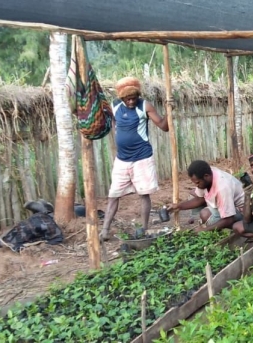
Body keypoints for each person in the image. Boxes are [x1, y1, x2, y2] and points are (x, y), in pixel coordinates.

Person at [100, 77, 169, 241]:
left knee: (144, 194)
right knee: (113, 195)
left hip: (142, 158)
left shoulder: (144, 106)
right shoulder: (115, 106)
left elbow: (164, 126)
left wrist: (168, 110)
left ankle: (144, 228)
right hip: (122, 159)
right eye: (128, 99)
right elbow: (112, 123)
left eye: (133, 98)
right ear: (122, 98)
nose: (131, 101)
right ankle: (104, 230)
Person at [166, 160, 245, 232]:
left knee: (205, 214)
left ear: (206, 176)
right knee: (193, 195)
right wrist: (178, 206)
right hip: (226, 206)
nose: (196, 185)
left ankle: (229, 229)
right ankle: (213, 225)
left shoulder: (222, 187)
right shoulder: (206, 175)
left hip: (241, 213)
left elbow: (229, 219)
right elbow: (199, 199)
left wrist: (205, 230)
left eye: (197, 182)